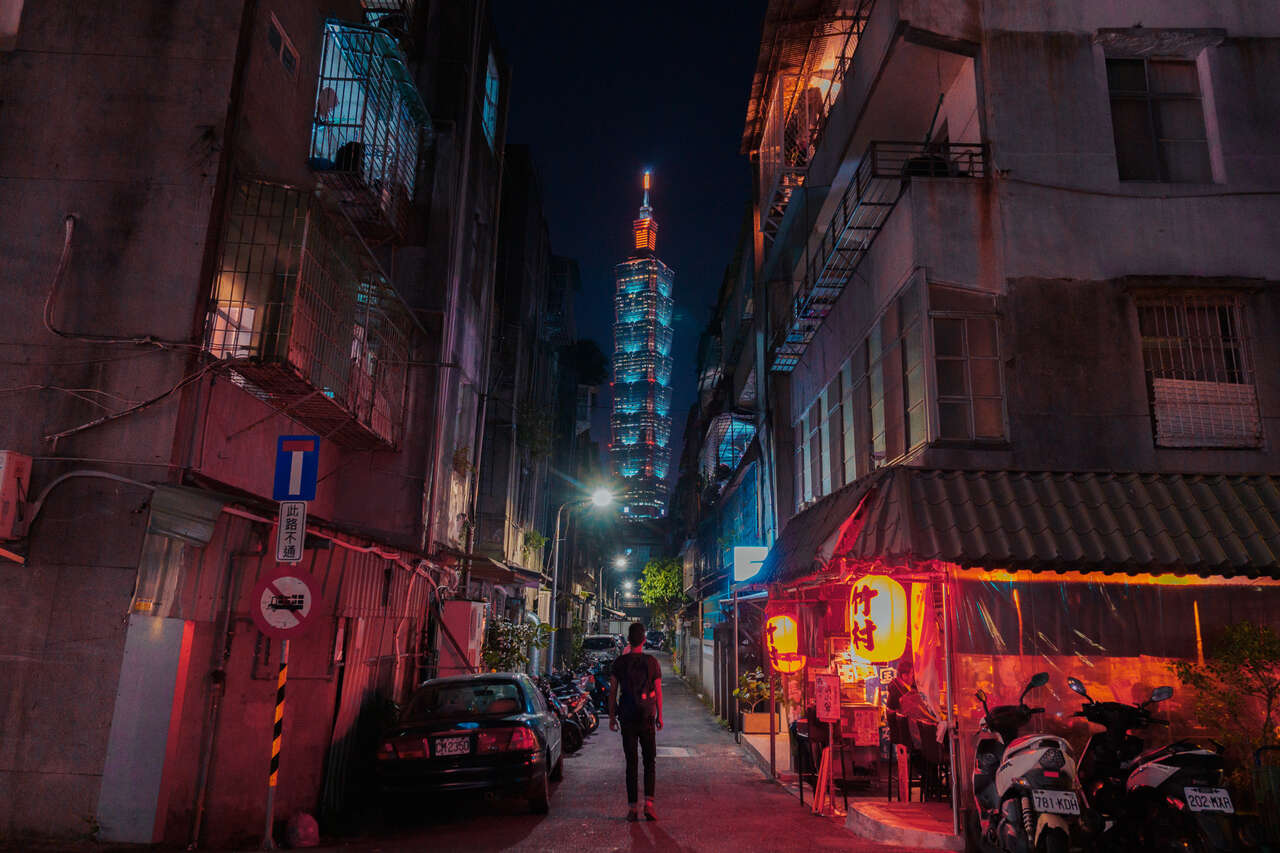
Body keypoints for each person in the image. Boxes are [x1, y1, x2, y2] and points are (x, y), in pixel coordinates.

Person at [609, 621, 663, 822]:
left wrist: (612, 716)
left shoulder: (619, 663)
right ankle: (649, 805)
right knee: (650, 762)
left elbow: (613, 691)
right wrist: (660, 716)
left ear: (629, 640)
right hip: (647, 717)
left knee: (631, 762)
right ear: (644, 639)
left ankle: (632, 808)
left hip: (627, 717)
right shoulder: (652, 662)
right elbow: (658, 691)